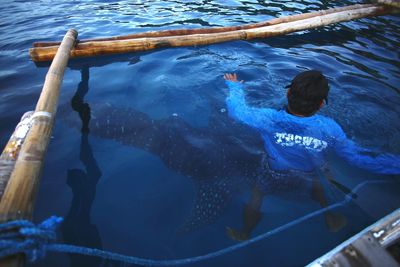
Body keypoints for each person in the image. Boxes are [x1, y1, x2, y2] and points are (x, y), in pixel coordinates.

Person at [223, 70, 400, 240]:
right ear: (321, 104)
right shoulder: (330, 128)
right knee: (319, 185)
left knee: (257, 194)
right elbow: (356, 158)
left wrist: (234, 87)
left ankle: (245, 232)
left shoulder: (268, 118)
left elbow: (238, 112)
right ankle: (329, 215)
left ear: (288, 93)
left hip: (273, 173)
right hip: (307, 175)